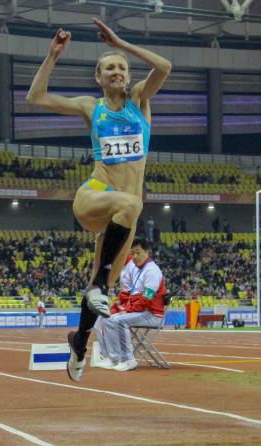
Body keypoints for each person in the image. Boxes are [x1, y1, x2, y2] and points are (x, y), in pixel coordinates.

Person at [26, 18, 171, 382]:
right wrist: (52, 56)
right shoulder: (91, 107)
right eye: (109, 68)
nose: (117, 72)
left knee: (102, 285)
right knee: (133, 204)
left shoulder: (140, 99)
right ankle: (96, 287)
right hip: (95, 195)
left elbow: (164, 67)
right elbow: (36, 97)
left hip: (124, 216)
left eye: (122, 67)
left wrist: (121, 43)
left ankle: (79, 342)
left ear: (129, 75)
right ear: (99, 77)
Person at [95, 238, 166, 371]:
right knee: (107, 320)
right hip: (143, 312)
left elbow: (147, 300)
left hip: (152, 314)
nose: (135, 257)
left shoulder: (152, 271)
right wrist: (127, 308)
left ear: (147, 252)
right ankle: (114, 358)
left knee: (119, 320)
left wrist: (128, 310)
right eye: (132, 253)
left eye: (138, 252)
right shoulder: (140, 270)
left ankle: (128, 359)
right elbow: (135, 296)